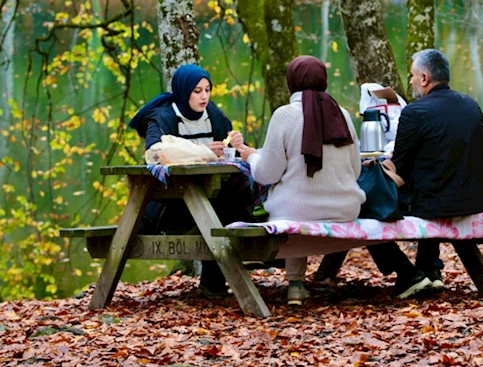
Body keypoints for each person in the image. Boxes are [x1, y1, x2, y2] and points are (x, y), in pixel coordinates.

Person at [238, 55, 366, 305]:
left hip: (296, 214)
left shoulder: (285, 115)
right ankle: (302, 283)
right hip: (345, 210)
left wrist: (252, 157)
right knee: (298, 197)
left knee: (294, 201)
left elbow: (266, 174)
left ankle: (295, 285)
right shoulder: (343, 115)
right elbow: (356, 171)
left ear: (292, 81)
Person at [368, 49, 483, 292]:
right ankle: (430, 267)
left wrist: (374, 167)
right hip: (473, 200)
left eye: (412, 75)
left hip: (436, 203)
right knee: (431, 184)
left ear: (424, 78)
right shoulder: (472, 106)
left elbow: (397, 169)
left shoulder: (415, 112)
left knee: (367, 203)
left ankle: (407, 273)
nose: (410, 80)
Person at [128, 64, 247, 296]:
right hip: (170, 202)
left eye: (207, 90)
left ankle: (213, 285)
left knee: (231, 209)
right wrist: (201, 150)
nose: (204, 96)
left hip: (210, 194)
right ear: (184, 92)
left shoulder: (213, 115)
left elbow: (225, 144)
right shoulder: (163, 116)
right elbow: (155, 152)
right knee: (217, 212)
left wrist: (236, 144)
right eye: (197, 91)